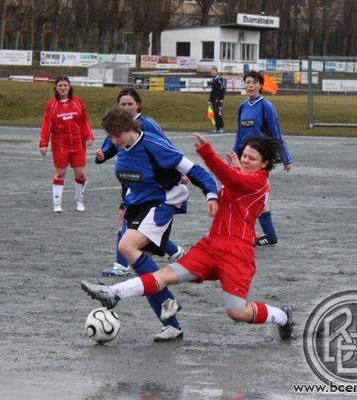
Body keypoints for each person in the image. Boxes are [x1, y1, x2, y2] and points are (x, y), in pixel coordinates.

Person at [81, 133, 294, 341]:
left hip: (237, 253)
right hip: (212, 246)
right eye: (245, 155)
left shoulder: (259, 183)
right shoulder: (246, 177)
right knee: (165, 275)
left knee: (236, 312)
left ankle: (283, 317)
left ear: (264, 164)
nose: (246, 159)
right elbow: (236, 184)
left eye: (252, 158)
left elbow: (234, 180)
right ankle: (113, 292)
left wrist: (207, 152)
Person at [90, 106, 219, 342]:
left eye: (117, 135)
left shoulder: (153, 144)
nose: (114, 141)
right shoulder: (123, 147)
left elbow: (194, 169)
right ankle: (172, 325)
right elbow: (131, 179)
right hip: (138, 203)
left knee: (127, 247)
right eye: (110, 136)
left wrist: (212, 194)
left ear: (131, 128)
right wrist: (124, 204)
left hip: (163, 200)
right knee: (140, 266)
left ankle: (166, 299)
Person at [96, 88, 185, 277]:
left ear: (138, 104)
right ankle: (175, 251)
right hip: (129, 179)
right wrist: (101, 155)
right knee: (132, 221)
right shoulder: (116, 124)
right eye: (123, 104)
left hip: (148, 182)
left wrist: (179, 169)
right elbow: (109, 148)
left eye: (130, 103)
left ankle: (121, 265)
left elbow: (167, 147)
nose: (127, 107)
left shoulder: (148, 125)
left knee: (125, 219)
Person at [234, 70, 293, 246]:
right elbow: (240, 134)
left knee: (253, 196)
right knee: (247, 196)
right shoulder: (243, 107)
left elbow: (276, 133)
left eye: (253, 82)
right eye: (247, 82)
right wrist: (234, 154)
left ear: (260, 85)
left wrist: (286, 158)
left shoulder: (266, 106)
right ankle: (265, 234)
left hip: (260, 159)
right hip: (244, 159)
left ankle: (261, 234)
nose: (250, 86)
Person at [39, 76, 94, 212]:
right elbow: (47, 125)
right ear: (56, 88)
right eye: (60, 86)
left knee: (81, 174)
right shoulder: (51, 105)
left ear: (69, 87)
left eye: (65, 85)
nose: (62, 88)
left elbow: (85, 120)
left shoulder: (77, 102)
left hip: (77, 142)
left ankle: (79, 201)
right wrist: (43, 143)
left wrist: (89, 136)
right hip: (60, 143)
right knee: (60, 173)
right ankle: (57, 204)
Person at [209, 67, 227, 133]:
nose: (212, 73)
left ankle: (221, 127)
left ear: (217, 72)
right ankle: (217, 127)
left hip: (218, 100)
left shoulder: (220, 79)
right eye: (211, 72)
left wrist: (221, 99)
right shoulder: (213, 80)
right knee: (215, 113)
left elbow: (223, 89)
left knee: (219, 113)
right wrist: (210, 100)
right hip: (214, 99)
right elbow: (212, 91)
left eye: (214, 72)